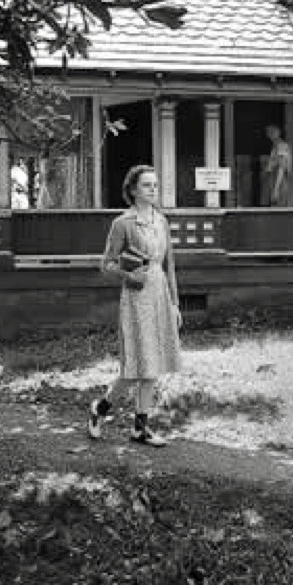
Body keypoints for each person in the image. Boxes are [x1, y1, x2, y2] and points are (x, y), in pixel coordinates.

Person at [88, 165, 182, 446]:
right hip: (136, 296)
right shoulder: (123, 223)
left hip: (160, 293)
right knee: (134, 369)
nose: (153, 190)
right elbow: (105, 264)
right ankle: (99, 409)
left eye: (155, 185)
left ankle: (140, 428)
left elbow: (170, 266)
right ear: (132, 191)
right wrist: (128, 275)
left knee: (153, 366)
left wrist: (175, 304)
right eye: (146, 186)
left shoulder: (162, 221)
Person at [265, 124, 293, 207]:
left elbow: (281, 167)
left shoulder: (281, 146)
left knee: (278, 207)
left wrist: (276, 188)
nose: (269, 136)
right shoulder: (276, 146)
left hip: (279, 180)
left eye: (271, 133)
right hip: (276, 179)